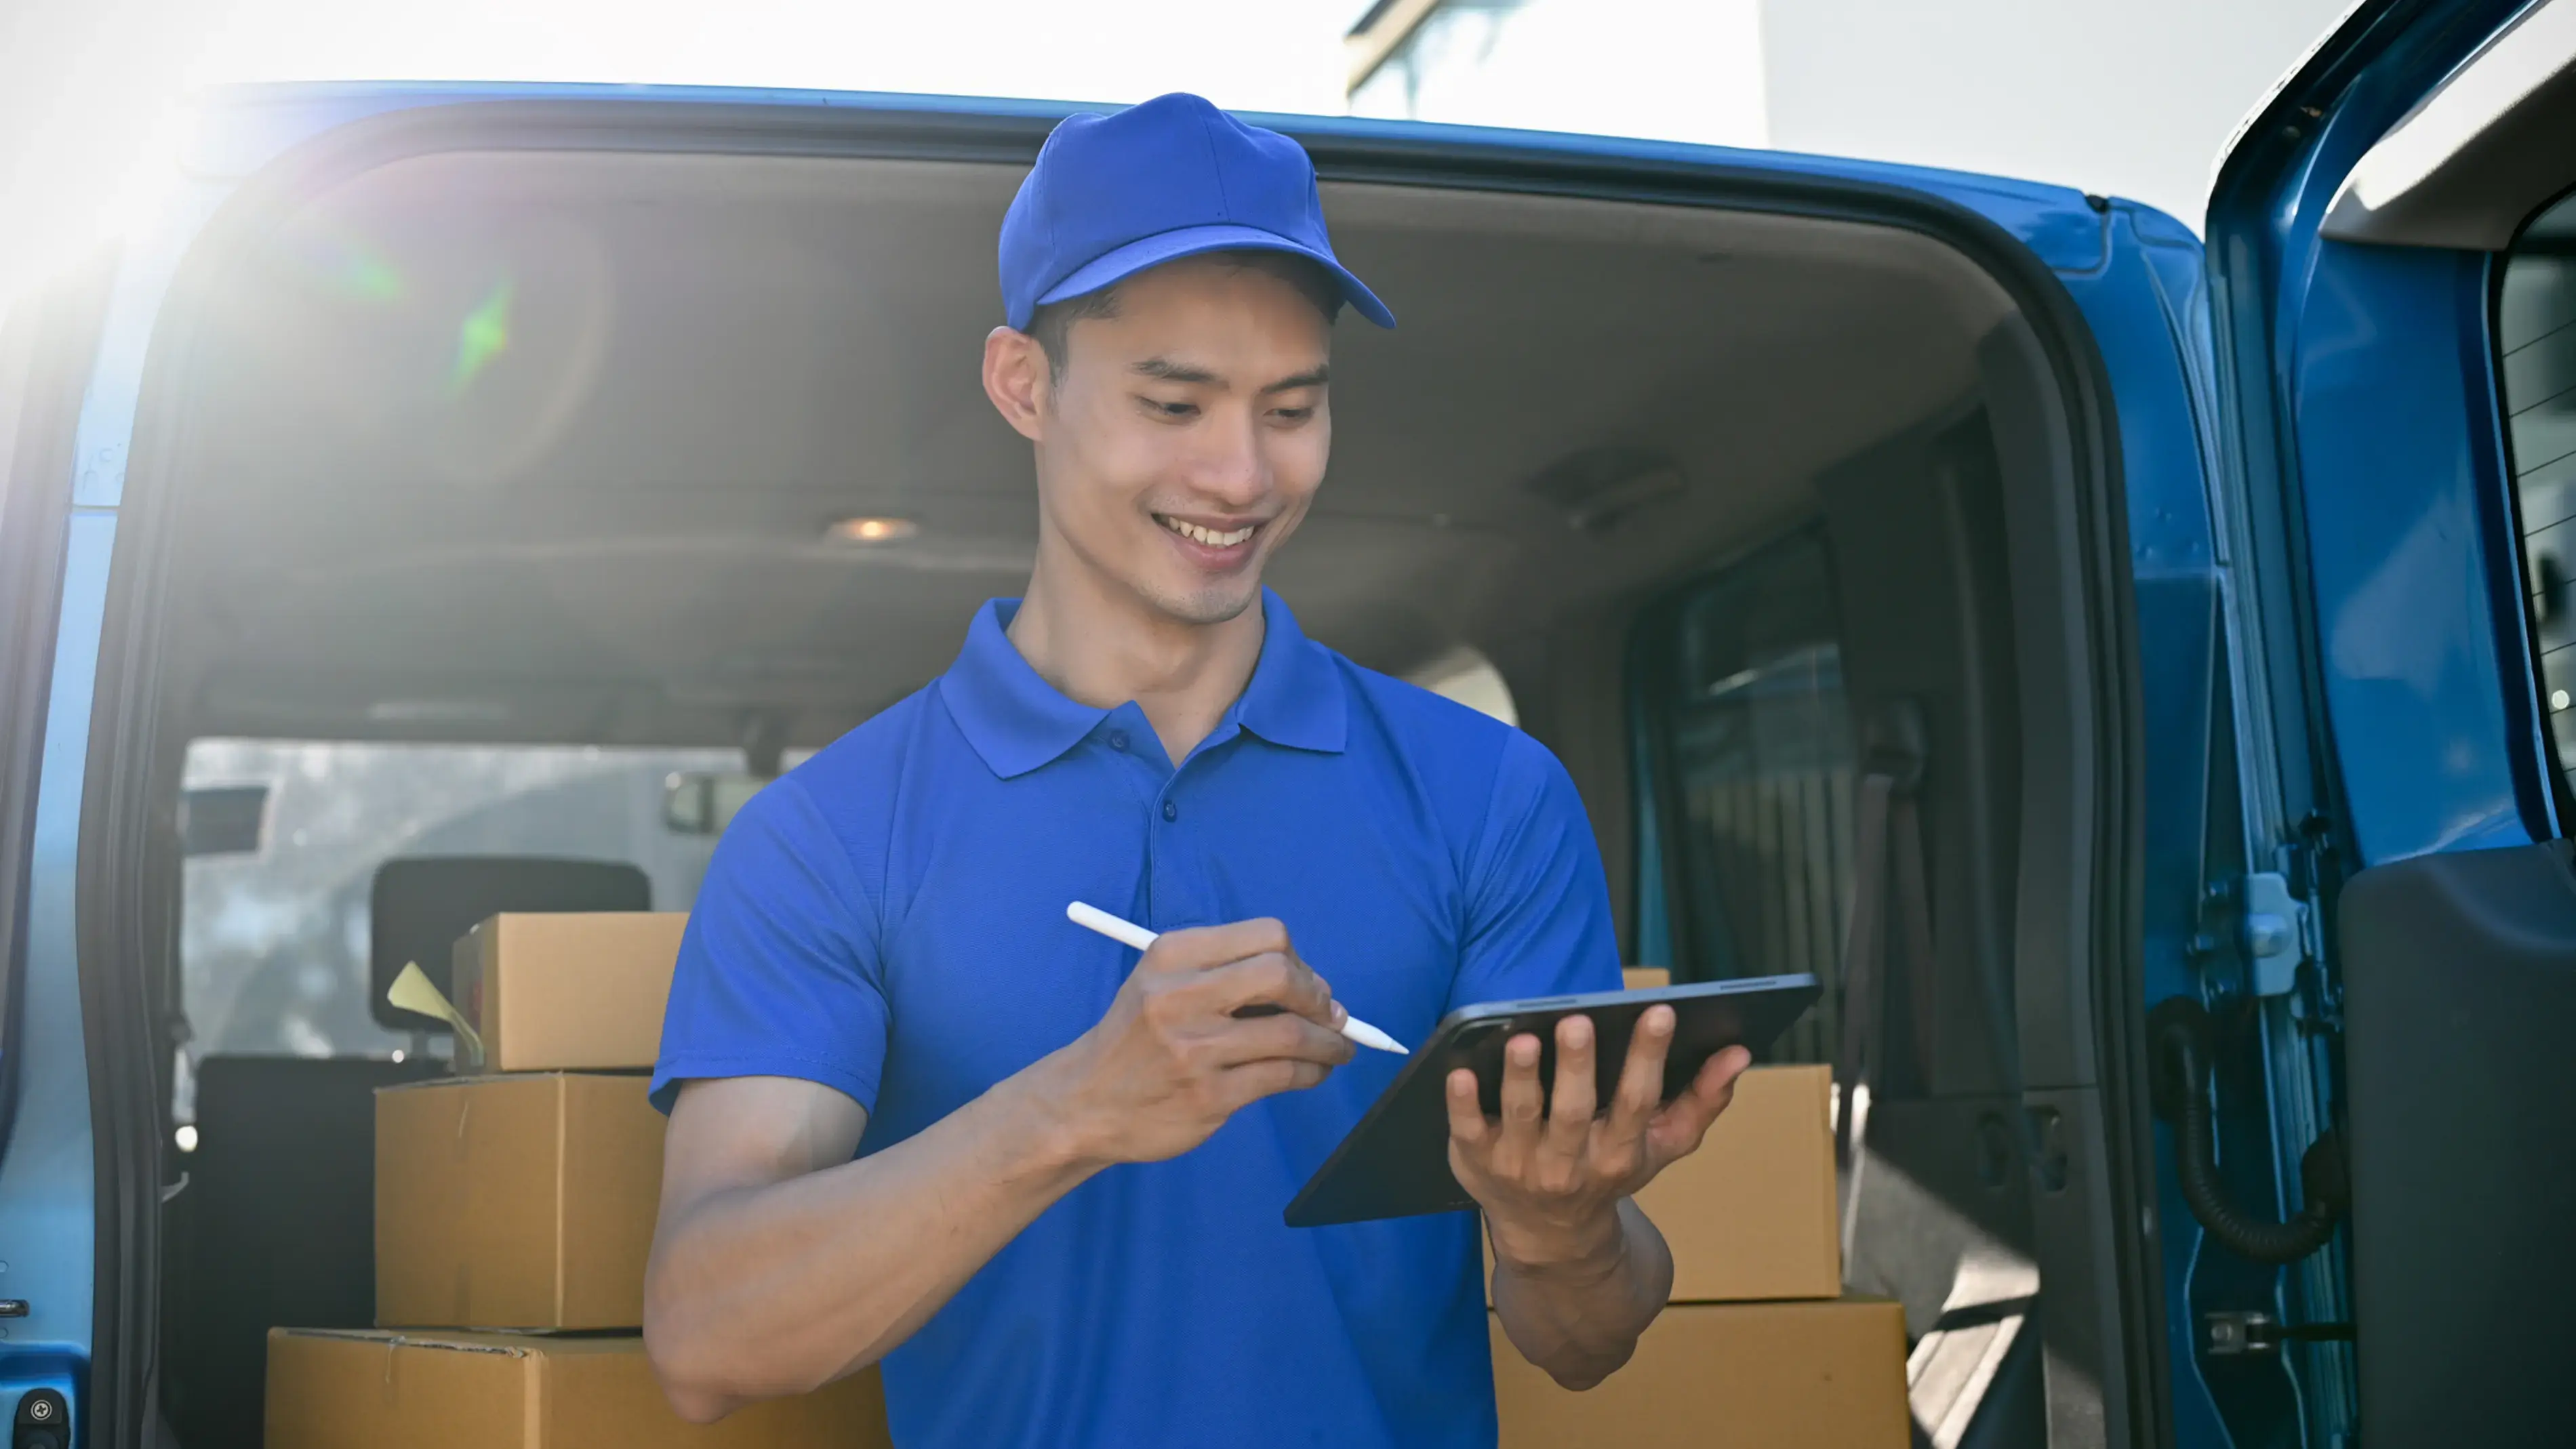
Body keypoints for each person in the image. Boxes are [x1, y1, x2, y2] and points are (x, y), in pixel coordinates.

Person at [641, 91, 1752, 1448]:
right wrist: (1071, 1109)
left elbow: (1584, 1341)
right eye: (1174, 403)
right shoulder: (827, 837)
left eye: (1292, 407)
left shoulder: (1491, 800)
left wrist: (1557, 1224)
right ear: (1024, 385)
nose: (1239, 475)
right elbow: (705, 1338)